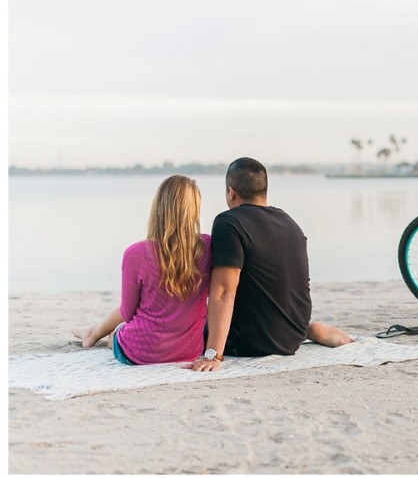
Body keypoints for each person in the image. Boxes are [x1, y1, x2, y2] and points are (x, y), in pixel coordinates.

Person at [189, 157, 351, 372]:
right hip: (292, 336)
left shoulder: (228, 222)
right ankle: (308, 330)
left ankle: (307, 330)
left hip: (252, 342)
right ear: (264, 191)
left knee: (186, 329)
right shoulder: (289, 222)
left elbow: (224, 291)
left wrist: (213, 355)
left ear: (231, 192)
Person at [73, 175, 212, 365]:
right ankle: (92, 332)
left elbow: (128, 313)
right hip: (189, 351)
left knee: (118, 331)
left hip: (139, 353)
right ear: (195, 210)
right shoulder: (209, 247)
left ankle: (92, 333)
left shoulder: (136, 253)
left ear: (158, 207)